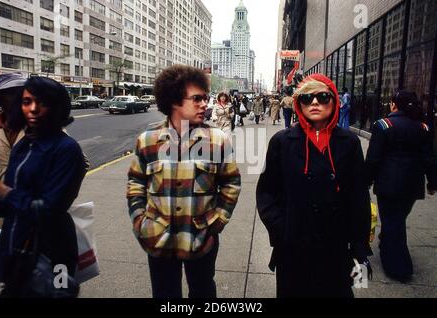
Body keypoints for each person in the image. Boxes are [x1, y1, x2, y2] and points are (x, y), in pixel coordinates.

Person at [127, 65, 241, 298]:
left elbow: (231, 183)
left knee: (203, 292)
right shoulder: (147, 141)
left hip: (201, 239)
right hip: (158, 238)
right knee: (165, 294)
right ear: (174, 100)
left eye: (205, 98)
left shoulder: (217, 141)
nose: (204, 104)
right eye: (197, 99)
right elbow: (135, 184)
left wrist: (216, 222)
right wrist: (141, 222)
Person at [256, 74, 372, 298]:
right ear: (299, 104)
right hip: (293, 243)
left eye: (322, 96)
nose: (315, 103)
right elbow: (267, 192)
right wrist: (281, 229)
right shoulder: (282, 141)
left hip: (336, 244)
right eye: (307, 98)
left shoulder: (349, 142)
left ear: (334, 101)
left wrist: (359, 245)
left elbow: (359, 197)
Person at [0, 77, 88, 297]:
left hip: (55, 252)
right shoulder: (24, 145)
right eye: (26, 101)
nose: (32, 109)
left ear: (57, 106)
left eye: (41, 102)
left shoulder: (66, 149)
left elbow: (49, 209)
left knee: (60, 293)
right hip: (17, 250)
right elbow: (15, 203)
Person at [365, 90, 437, 283]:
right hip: (412, 185)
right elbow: (430, 158)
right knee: (397, 219)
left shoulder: (383, 125)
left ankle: (400, 267)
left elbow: (373, 158)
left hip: (389, 184)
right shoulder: (423, 127)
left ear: (395, 105)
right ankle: (387, 244)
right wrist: (432, 182)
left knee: (392, 220)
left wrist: (366, 180)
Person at [0, 73, 27, 230]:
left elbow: (80, 164)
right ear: (0, 100)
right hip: (6, 220)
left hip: (43, 218)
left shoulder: (45, 129)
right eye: (14, 94)